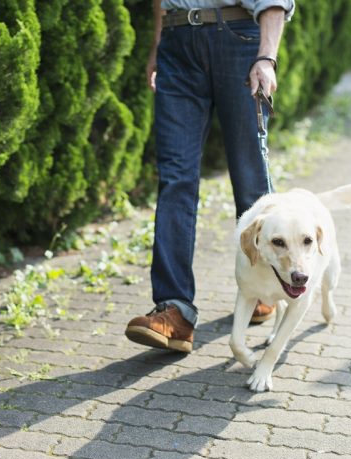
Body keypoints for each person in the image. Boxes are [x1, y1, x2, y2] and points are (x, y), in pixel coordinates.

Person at [125, 0, 295, 353]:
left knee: (250, 178)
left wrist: (267, 56)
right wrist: (159, 42)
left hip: (238, 38)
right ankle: (175, 311)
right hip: (176, 44)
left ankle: (265, 286)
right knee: (175, 178)